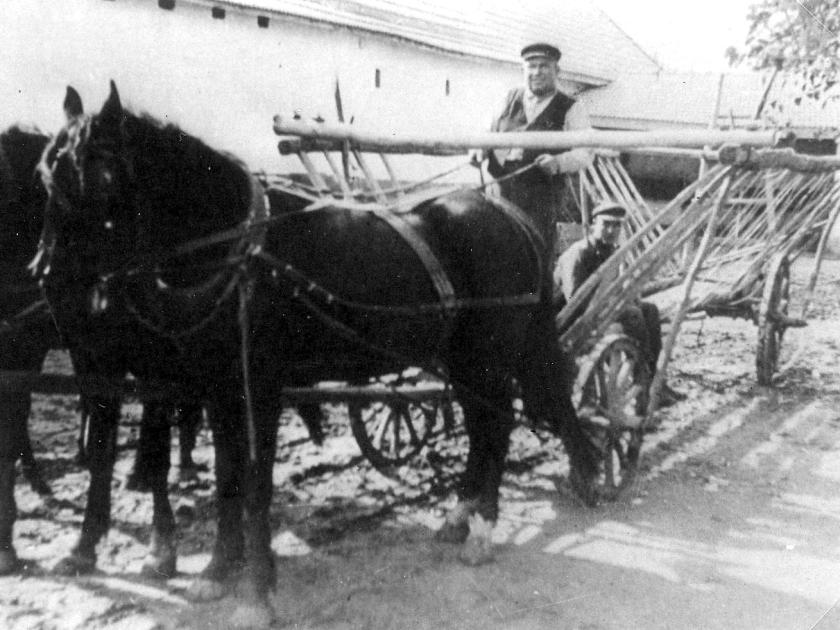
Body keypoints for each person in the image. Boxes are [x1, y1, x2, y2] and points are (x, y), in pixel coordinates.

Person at [553, 200, 685, 407]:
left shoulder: (610, 252)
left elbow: (616, 287)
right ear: (592, 225)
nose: (611, 230)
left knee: (649, 310)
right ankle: (642, 377)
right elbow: (575, 302)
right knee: (634, 315)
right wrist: (616, 307)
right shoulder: (578, 254)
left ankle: (655, 379)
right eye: (606, 224)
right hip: (570, 322)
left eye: (616, 226)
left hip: (598, 311)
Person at [473, 42, 594, 247]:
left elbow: (586, 152)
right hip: (498, 186)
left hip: (541, 193)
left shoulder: (571, 108)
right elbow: (485, 132)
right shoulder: (508, 98)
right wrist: (478, 148)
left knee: (533, 250)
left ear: (557, 70)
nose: (537, 72)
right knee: (493, 248)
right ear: (524, 70)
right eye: (531, 66)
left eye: (544, 66)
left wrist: (558, 162)